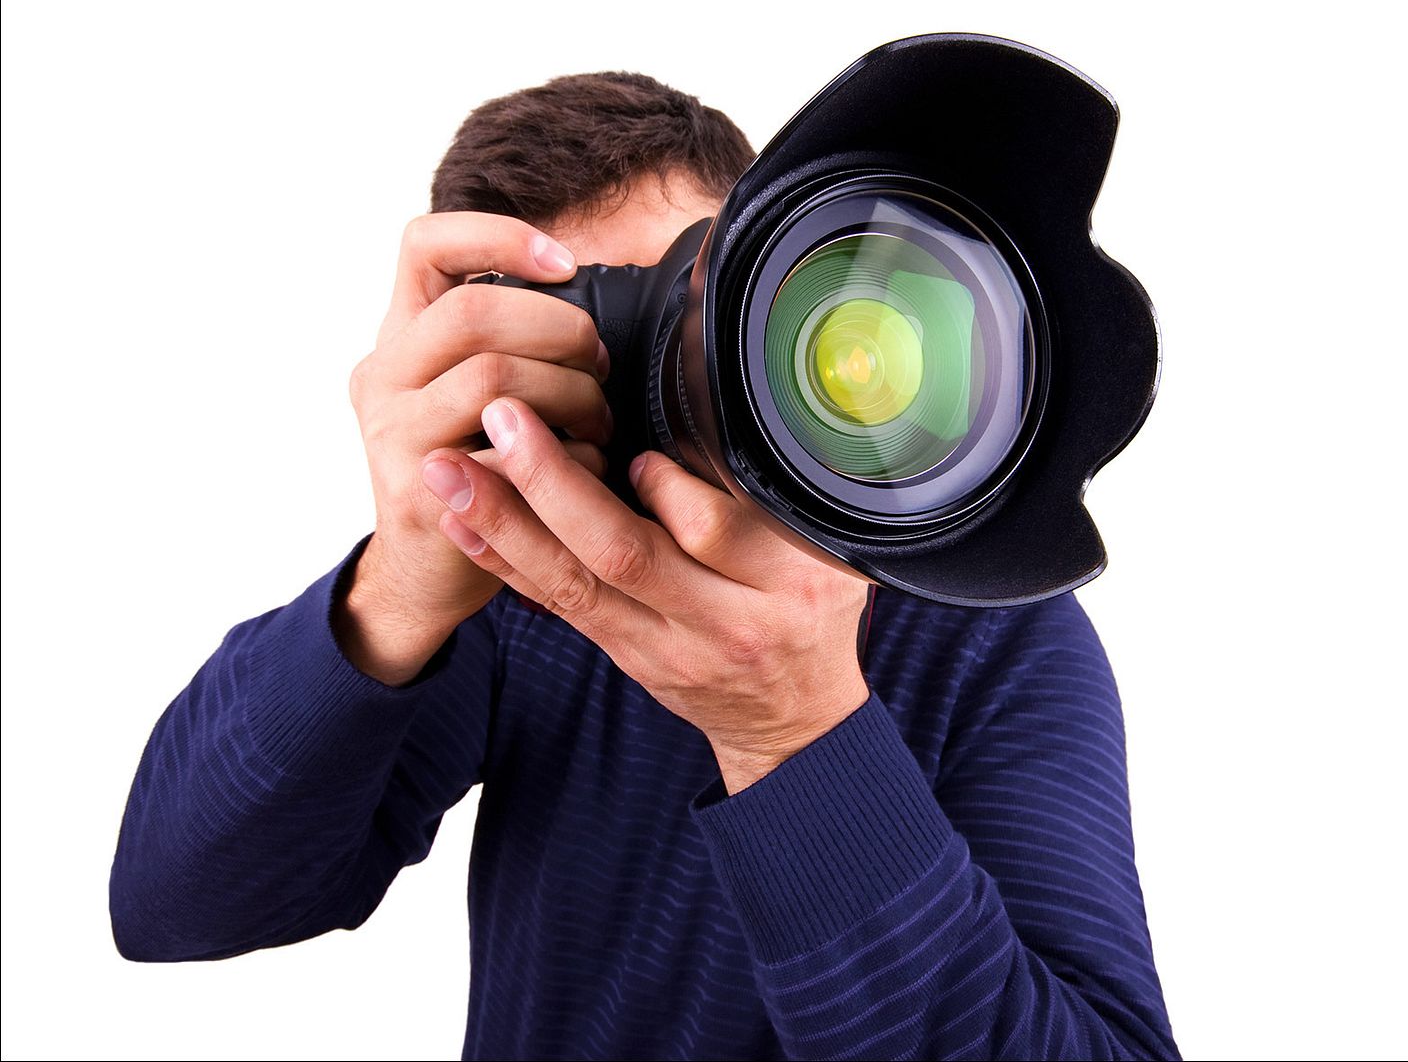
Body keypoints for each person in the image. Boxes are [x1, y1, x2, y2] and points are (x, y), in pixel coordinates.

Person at [109, 71, 1181, 1061]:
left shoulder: (985, 625)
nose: (685, 374)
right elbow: (177, 905)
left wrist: (797, 729)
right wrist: (400, 583)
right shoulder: (519, 593)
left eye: (695, 293)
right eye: (588, 352)